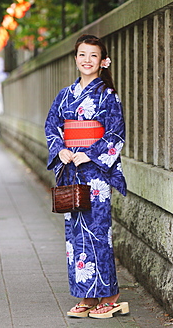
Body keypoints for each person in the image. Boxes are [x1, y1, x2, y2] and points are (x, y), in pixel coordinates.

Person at [45, 34, 129, 319]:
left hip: (95, 175)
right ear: (76, 58)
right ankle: (88, 296)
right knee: (76, 236)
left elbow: (116, 133)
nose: (87, 60)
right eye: (82, 54)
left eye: (93, 55)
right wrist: (61, 150)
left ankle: (111, 295)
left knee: (99, 232)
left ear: (102, 61)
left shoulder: (107, 95)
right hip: (72, 173)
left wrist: (90, 153)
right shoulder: (65, 94)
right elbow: (52, 126)